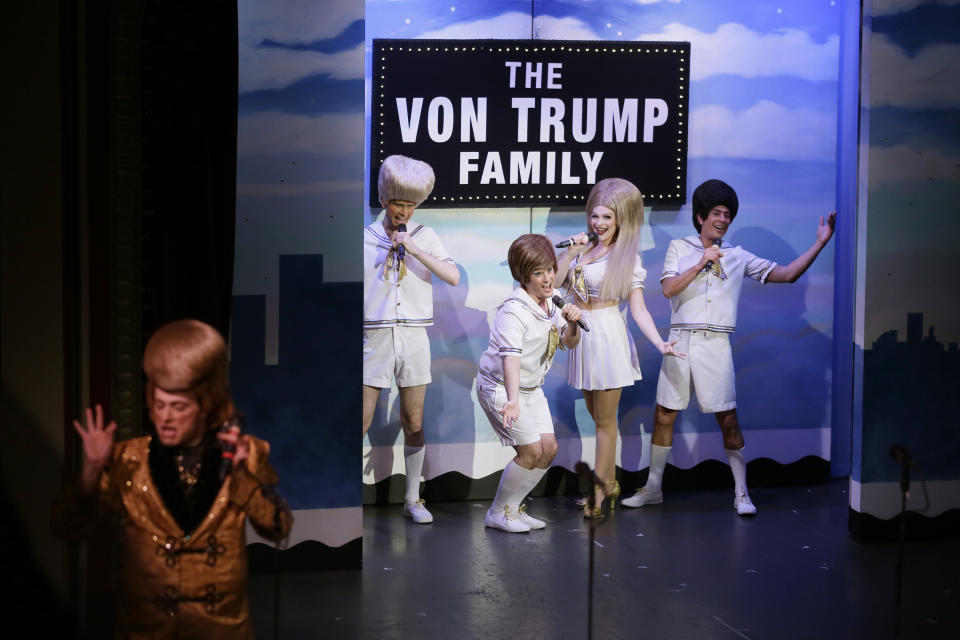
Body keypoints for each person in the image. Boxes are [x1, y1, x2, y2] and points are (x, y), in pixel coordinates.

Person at [53, 319, 292, 638]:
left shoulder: (242, 453)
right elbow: (67, 527)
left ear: (204, 406)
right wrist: (92, 470)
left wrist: (243, 480)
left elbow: (279, 528)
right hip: (147, 631)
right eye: (159, 405)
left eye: (178, 407)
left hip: (220, 631)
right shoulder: (129, 460)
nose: (165, 417)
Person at [622, 179, 836, 515]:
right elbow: (667, 290)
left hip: (715, 341)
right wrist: (700, 263)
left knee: (729, 419)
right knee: (664, 413)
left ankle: (741, 492)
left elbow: (786, 274)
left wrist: (820, 243)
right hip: (680, 338)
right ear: (700, 217)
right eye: (717, 213)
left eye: (727, 215)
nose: (723, 219)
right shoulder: (680, 247)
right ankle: (653, 488)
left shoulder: (738, 256)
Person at [556, 178, 682, 518]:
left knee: (605, 421)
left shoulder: (627, 257)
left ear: (621, 219)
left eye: (607, 218)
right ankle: (608, 484)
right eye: (595, 216)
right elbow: (555, 285)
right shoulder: (584, 251)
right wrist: (569, 253)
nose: (599, 223)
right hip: (581, 335)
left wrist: (660, 343)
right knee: (595, 416)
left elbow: (638, 308)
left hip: (608, 335)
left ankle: (600, 493)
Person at [362, 155, 460, 524]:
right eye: (398, 203)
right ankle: (342, 496)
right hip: (374, 333)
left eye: (411, 205)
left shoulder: (424, 236)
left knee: (413, 418)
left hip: (414, 333)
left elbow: (452, 276)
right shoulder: (365, 237)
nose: (404, 211)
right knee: (363, 417)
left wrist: (414, 248)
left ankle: (413, 498)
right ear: (385, 199)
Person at [476, 234, 583, 532]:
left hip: (531, 388)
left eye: (550, 269)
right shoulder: (513, 310)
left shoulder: (552, 302)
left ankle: (513, 507)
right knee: (531, 452)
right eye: (539, 273)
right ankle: (497, 513)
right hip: (500, 387)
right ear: (524, 276)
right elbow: (510, 358)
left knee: (548, 449)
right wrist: (512, 400)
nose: (548, 278)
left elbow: (568, 343)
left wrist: (573, 323)